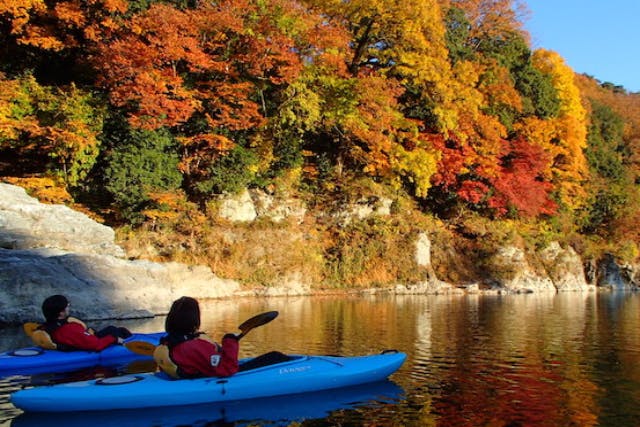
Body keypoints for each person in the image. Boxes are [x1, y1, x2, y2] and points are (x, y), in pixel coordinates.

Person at [156, 296, 239, 379]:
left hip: (179, 378)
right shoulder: (196, 346)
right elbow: (227, 369)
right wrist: (230, 341)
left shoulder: (167, 343)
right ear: (194, 318)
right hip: (201, 381)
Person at [36, 294, 132, 352]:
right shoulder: (70, 329)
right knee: (117, 331)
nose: (69, 308)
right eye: (67, 306)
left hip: (76, 341)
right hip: (87, 344)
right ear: (61, 312)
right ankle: (131, 340)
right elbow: (96, 345)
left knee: (111, 328)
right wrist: (114, 339)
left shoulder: (47, 326)